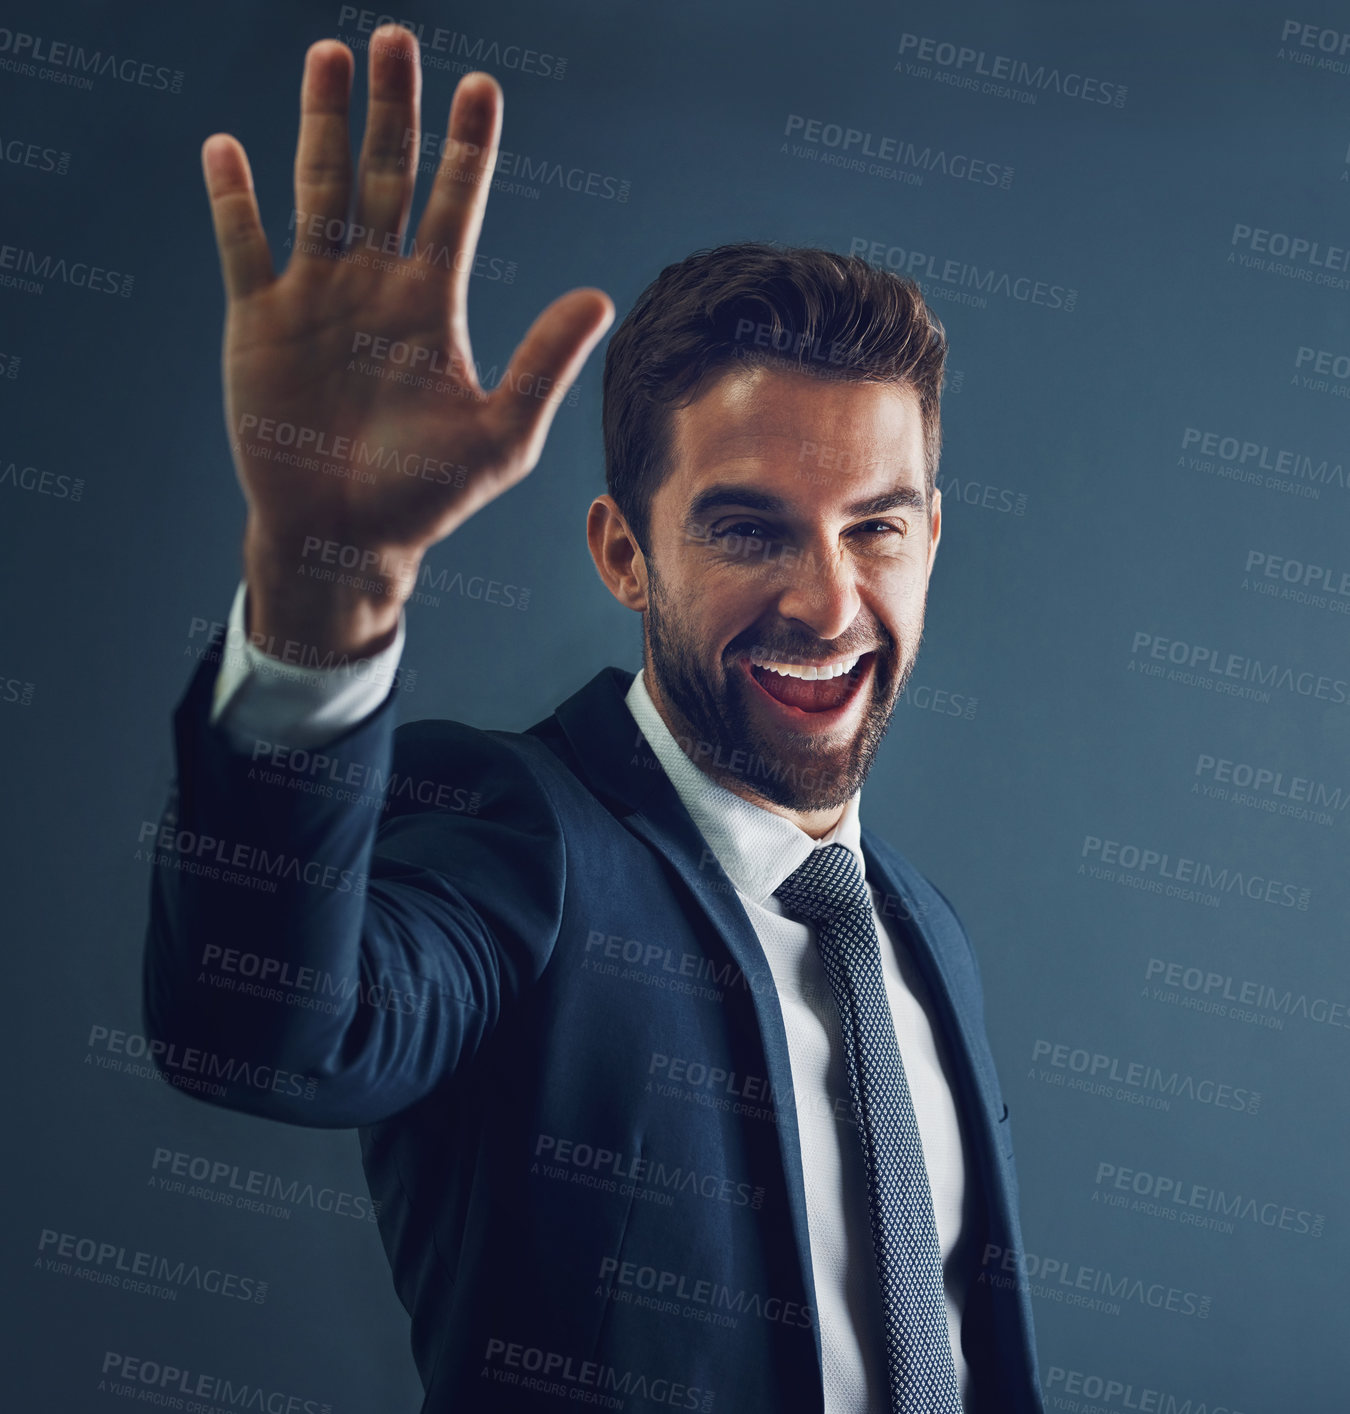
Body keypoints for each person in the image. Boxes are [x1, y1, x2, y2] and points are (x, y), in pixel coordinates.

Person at [143, 24, 1044, 1414]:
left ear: (930, 534)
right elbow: (259, 1031)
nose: (826, 598)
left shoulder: (921, 936)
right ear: (623, 553)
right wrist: (327, 574)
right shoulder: (521, 839)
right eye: (747, 528)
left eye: (875, 528)